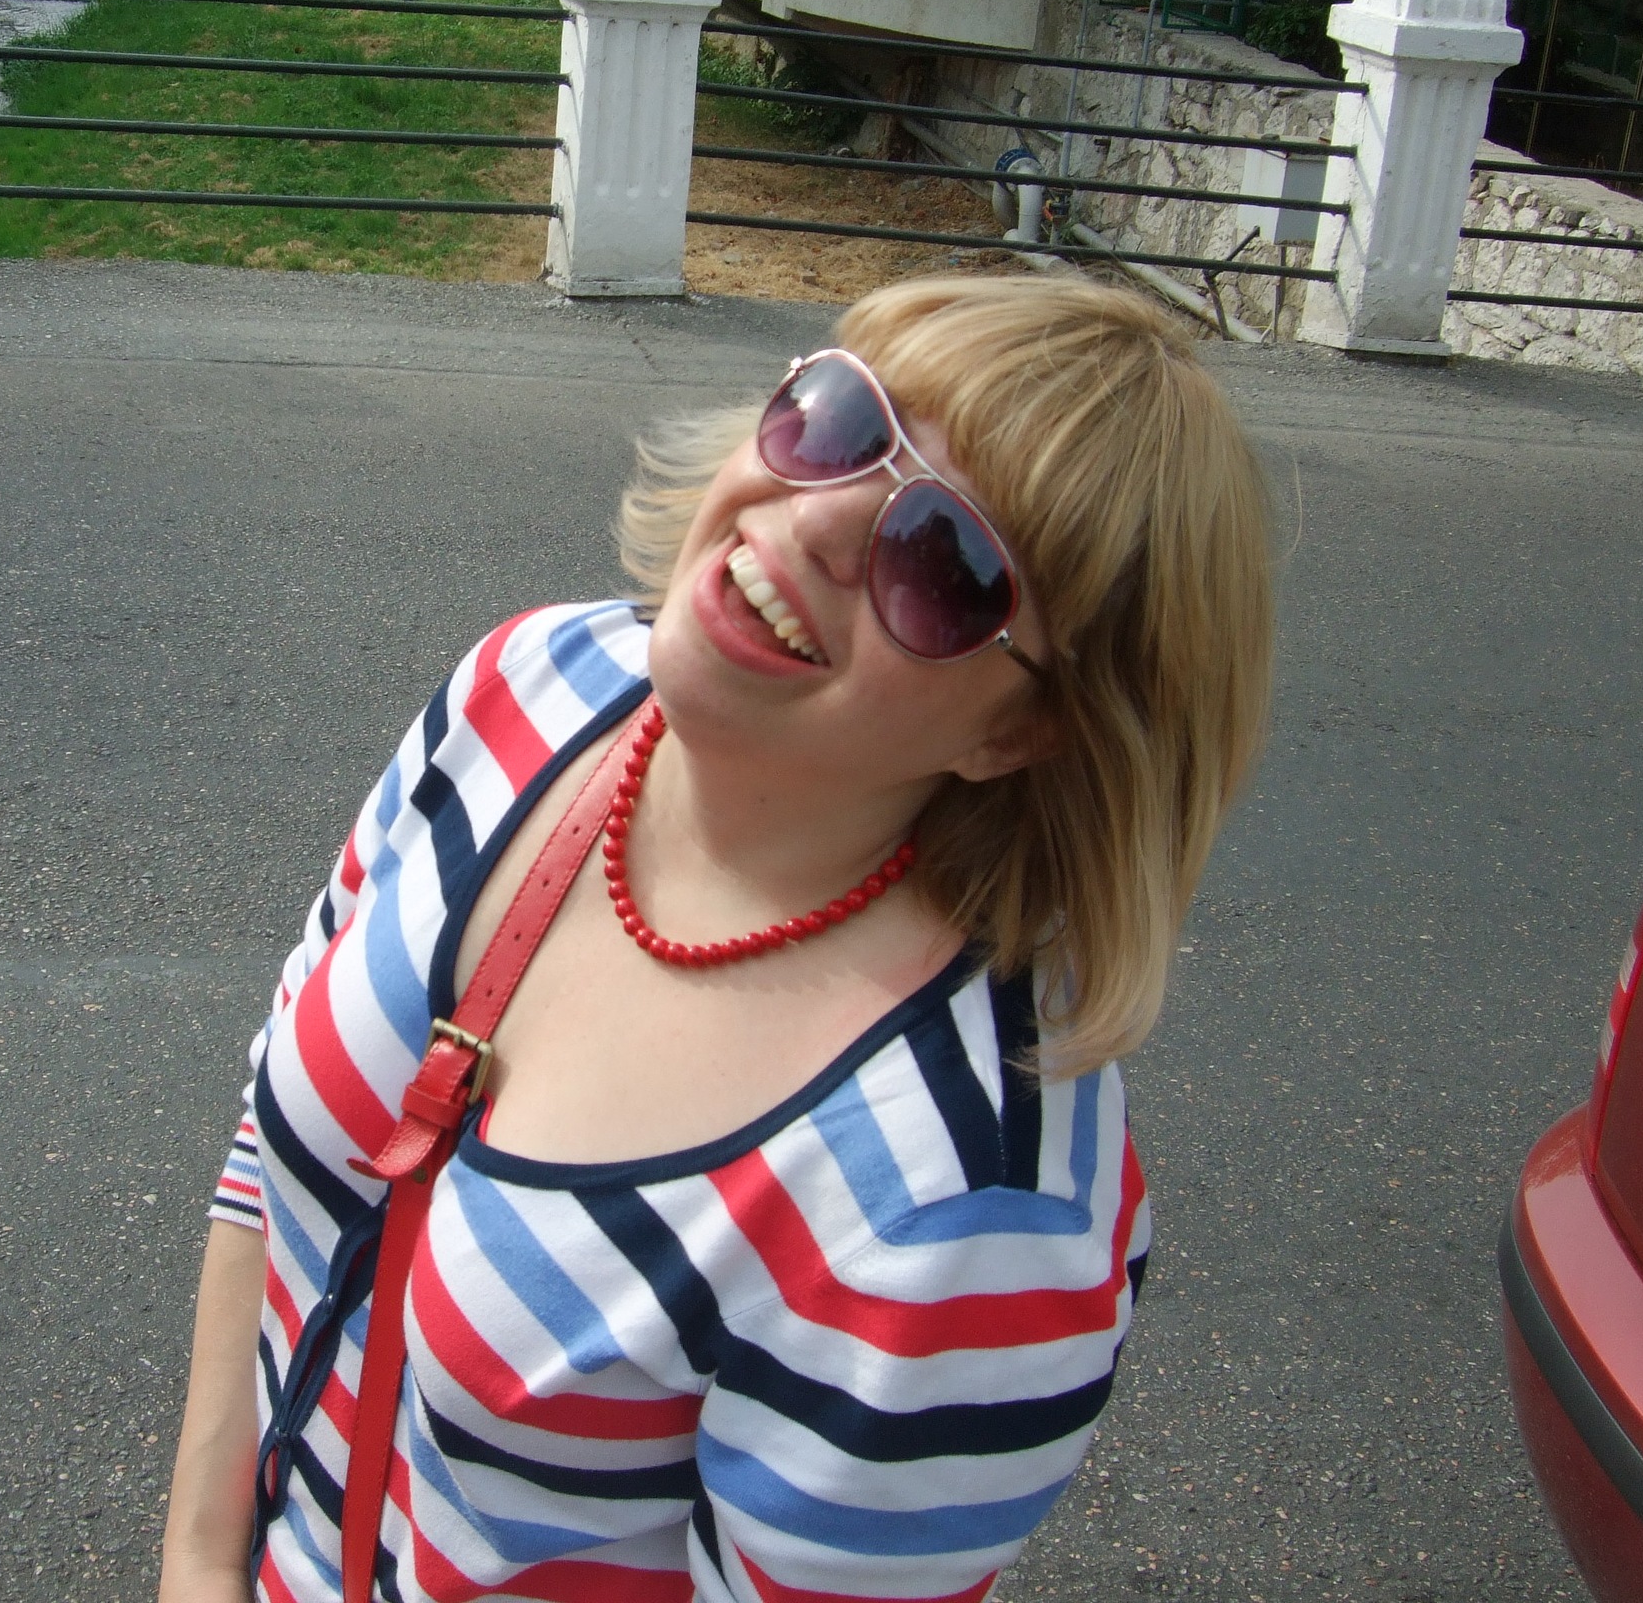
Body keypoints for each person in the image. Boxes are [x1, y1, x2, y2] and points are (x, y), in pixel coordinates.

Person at [158, 276, 1276, 1603]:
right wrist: (199, 1562)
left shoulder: (960, 1209)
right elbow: (274, 1151)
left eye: (946, 562)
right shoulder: (532, 685)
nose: (819, 520)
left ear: (1020, 731)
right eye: (842, 421)